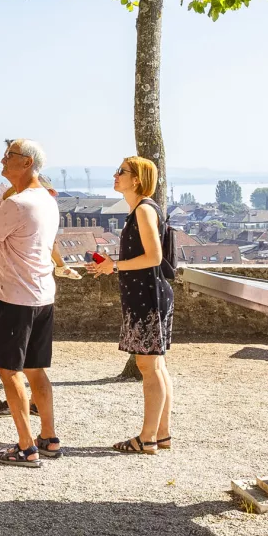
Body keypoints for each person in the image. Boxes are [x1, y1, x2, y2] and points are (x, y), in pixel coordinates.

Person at [88, 156, 175, 454]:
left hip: (148, 297)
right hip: (148, 295)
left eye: (121, 172)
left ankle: (147, 437)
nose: (115, 175)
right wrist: (112, 265)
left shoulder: (143, 210)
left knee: (148, 366)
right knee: (156, 365)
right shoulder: (142, 210)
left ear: (136, 179)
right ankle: (161, 434)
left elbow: (153, 256)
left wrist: (115, 265)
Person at [0, 139, 60, 468]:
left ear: (27, 162)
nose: (3, 160)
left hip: (15, 296)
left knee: (10, 371)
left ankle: (26, 446)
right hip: (43, 294)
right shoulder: (46, 200)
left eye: (10, 156)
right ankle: (49, 436)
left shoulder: (16, 204)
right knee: (35, 369)